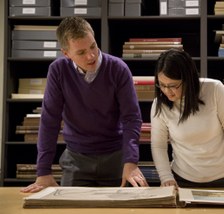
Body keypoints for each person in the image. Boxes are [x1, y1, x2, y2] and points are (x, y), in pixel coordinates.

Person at [21, 16, 148, 193]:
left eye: (93, 46)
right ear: (66, 53)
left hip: (116, 158)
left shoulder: (118, 69)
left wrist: (131, 162)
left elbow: (131, 118)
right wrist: (43, 171)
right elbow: (50, 120)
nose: (91, 56)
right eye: (81, 52)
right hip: (76, 160)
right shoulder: (58, 70)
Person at [150, 49, 224, 189]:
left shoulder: (214, 90)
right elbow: (158, 145)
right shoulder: (159, 104)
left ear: (188, 79)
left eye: (172, 86)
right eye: (162, 85)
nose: (166, 91)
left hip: (222, 178)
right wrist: (166, 177)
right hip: (181, 180)